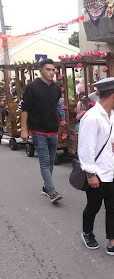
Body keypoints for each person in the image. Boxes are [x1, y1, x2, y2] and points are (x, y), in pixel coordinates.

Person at [78, 76, 114, 257]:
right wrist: (90, 174)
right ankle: (87, 232)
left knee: (112, 208)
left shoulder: (111, 116)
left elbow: (113, 141)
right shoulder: (92, 117)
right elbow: (86, 148)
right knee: (93, 206)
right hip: (97, 172)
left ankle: (113, 244)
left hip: (113, 170)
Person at [20, 58, 63, 203]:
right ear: (41, 70)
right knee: (44, 162)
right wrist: (24, 129)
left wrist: (62, 121)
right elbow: (25, 109)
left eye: (53, 70)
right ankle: (52, 192)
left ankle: (46, 187)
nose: (52, 72)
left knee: (51, 162)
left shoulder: (57, 88)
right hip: (38, 131)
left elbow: (56, 107)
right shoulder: (32, 87)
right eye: (48, 69)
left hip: (53, 130)